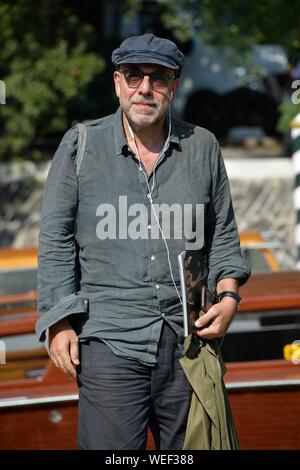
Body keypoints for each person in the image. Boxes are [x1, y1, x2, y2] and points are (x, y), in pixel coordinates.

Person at [36, 33, 250, 450]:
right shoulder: (81, 145)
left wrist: (228, 300)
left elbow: (223, 236)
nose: (145, 89)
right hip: (109, 343)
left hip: (188, 346)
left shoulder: (202, 146)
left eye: (158, 78)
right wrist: (59, 321)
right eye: (134, 76)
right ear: (118, 82)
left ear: (174, 85)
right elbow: (56, 239)